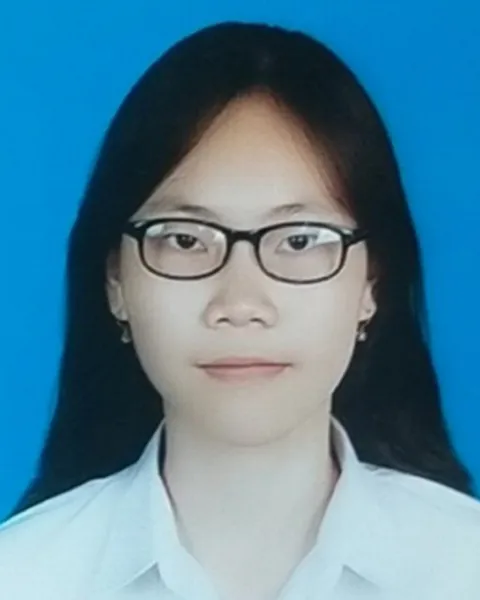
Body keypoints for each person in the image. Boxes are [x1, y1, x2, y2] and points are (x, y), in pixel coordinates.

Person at [0, 20, 479, 600]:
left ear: (371, 283)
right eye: (184, 239)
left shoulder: (463, 566)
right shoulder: (23, 576)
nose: (241, 304)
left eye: (300, 240)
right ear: (115, 282)